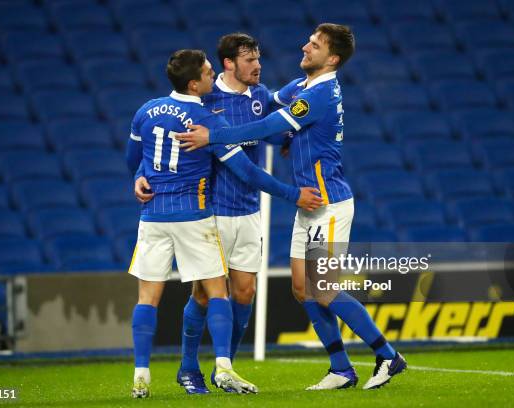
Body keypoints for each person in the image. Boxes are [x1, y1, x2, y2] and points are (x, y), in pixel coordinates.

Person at [174, 23, 407, 391]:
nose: (305, 47)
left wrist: (215, 136)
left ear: (331, 58)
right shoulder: (302, 88)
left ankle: (388, 355)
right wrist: (290, 138)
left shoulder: (321, 95)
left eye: (314, 45)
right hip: (306, 205)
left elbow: (266, 124)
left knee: (324, 288)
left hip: (327, 201)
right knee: (302, 289)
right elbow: (276, 114)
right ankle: (341, 369)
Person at [125, 49, 322, 398]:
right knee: (209, 293)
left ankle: (209, 368)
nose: (258, 65)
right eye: (249, 59)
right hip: (207, 210)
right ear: (228, 64)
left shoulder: (258, 97)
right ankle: (192, 368)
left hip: (237, 212)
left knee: (242, 291)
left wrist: (293, 135)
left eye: (259, 57)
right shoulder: (205, 109)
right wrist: (294, 194)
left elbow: (140, 154)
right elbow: (244, 168)